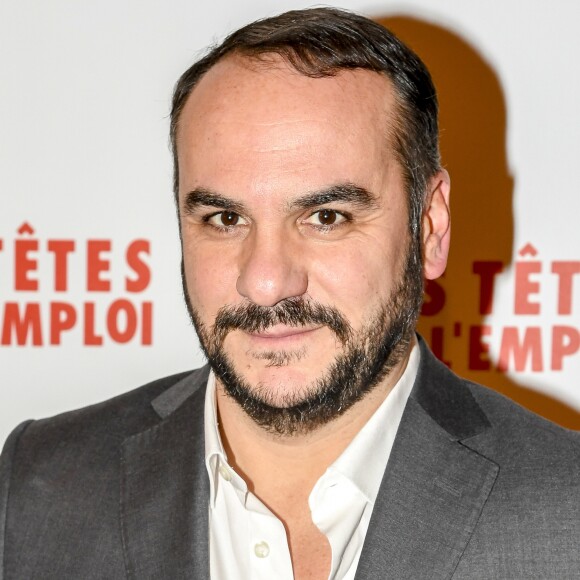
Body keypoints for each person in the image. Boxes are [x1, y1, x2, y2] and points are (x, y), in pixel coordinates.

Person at [1, 7, 578, 579]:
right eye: (225, 219)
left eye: (326, 217)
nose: (266, 280)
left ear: (429, 226)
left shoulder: (564, 512)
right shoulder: (39, 485)